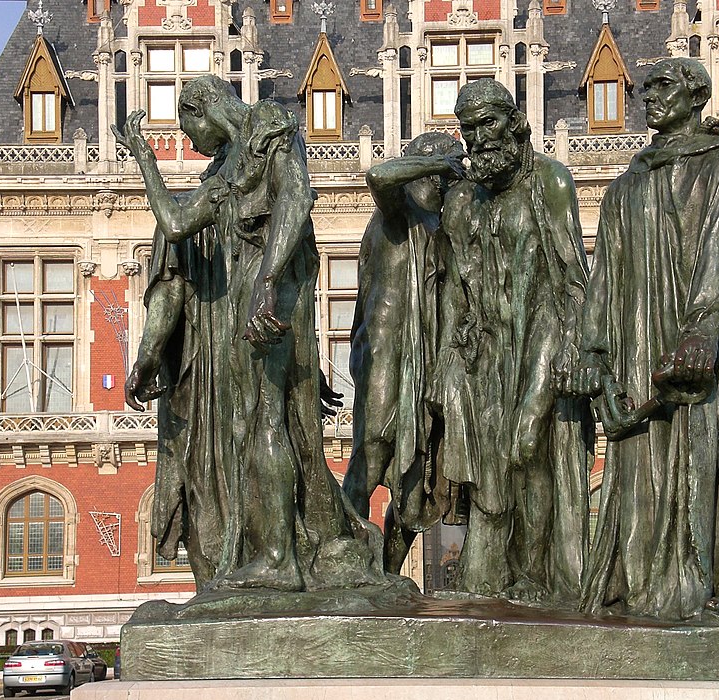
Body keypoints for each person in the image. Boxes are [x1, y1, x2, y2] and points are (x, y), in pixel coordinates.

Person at [117, 75, 383, 593]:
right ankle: (277, 548)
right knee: (249, 424)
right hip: (248, 300)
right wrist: (145, 158)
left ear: (204, 108)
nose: (190, 144)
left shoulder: (267, 124)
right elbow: (175, 223)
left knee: (265, 418)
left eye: (186, 127)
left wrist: (266, 284)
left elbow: (297, 197)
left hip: (270, 295)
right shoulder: (222, 171)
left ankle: (280, 558)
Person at [566, 58, 719, 622]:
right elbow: (605, 279)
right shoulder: (626, 185)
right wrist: (594, 352)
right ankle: (653, 584)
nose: (648, 98)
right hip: (643, 348)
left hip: (711, 336)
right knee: (644, 468)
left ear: (696, 94)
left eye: (662, 88)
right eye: (645, 90)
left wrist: (702, 326)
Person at [435, 78, 593, 603]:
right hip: (482, 357)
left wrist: (566, 357)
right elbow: (455, 289)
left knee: (530, 448)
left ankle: (535, 575)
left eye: (489, 123)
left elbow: (573, 281)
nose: (479, 138)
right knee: (487, 475)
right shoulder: (459, 202)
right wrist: (447, 363)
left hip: (540, 343)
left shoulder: (550, 181)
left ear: (516, 121)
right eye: (468, 128)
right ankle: (487, 578)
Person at [343, 131, 465, 573]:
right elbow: (378, 175)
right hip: (385, 353)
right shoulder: (396, 212)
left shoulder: (444, 225)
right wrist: (437, 163)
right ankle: (343, 558)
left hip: (429, 360)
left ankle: (388, 573)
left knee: (419, 482)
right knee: (373, 447)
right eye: (443, 172)